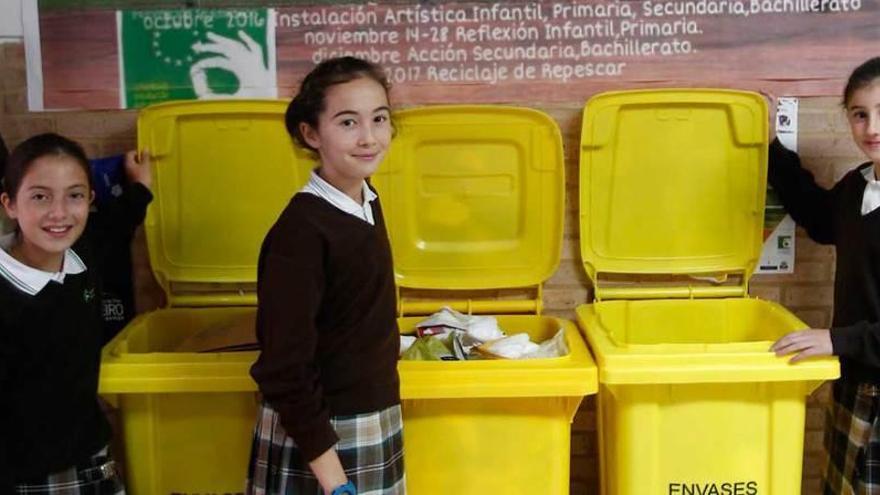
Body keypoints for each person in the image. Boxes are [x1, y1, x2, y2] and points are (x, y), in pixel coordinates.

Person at [247, 57, 405, 495]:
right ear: (311, 133)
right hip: (322, 441)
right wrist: (334, 481)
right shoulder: (299, 234)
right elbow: (284, 369)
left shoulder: (367, 199)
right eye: (348, 122)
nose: (369, 137)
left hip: (372, 415)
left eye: (379, 119)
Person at [0, 133, 152, 493]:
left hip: (92, 454)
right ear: (9, 204)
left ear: (90, 200)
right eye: (40, 196)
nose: (59, 213)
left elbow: (123, 219)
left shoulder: (85, 249)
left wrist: (141, 185)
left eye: (75, 195)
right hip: (23, 475)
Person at [770, 56, 880, 494]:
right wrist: (771, 148)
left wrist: (837, 339)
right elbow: (820, 220)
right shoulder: (859, 186)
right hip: (856, 380)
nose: (872, 127)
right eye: (860, 114)